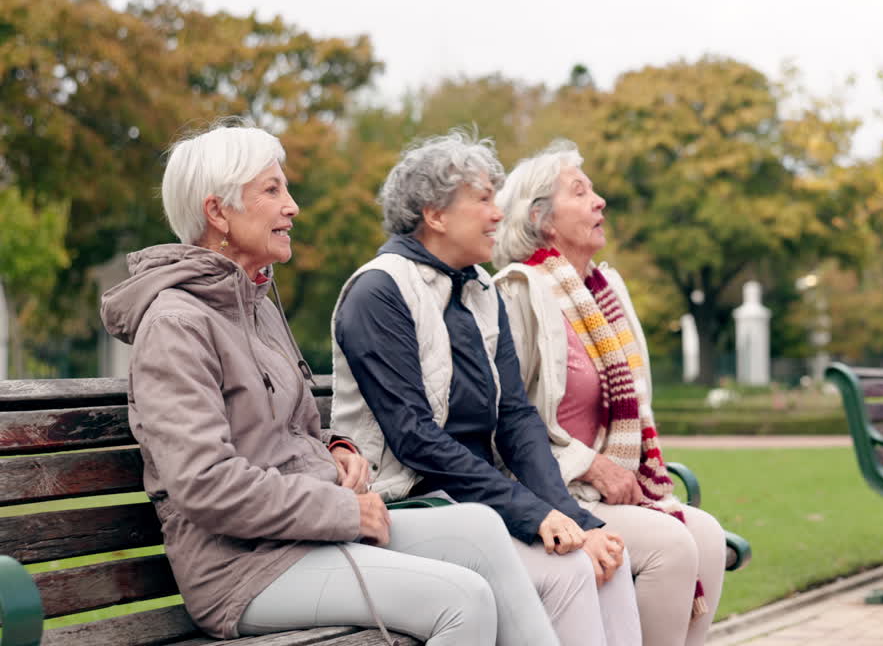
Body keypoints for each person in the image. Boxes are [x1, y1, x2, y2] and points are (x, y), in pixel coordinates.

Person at [101, 122, 559, 645]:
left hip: (303, 537)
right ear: (217, 212)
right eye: (272, 190)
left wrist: (335, 452)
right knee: (462, 600)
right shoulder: (176, 325)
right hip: (243, 571)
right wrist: (343, 510)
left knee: (480, 528)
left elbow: (282, 434)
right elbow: (206, 484)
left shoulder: (256, 306)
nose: (292, 206)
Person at [330, 129, 642, 646]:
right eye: (482, 199)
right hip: (408, 505)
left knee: (606, 552)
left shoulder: (477, 290)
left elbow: (517, 419)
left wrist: (572, 516)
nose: (498, 213)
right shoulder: (379, 292)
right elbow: (414, 439)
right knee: (567, 572)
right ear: (435, 214)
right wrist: (532, 513)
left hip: (477, 501)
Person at [492, 140, 727, 646]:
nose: (599, 201)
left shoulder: (606, 293)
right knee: (672, 545)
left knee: (706, 533)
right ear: (543, 219)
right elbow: (508, 422)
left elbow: (637, 409)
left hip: (612, 491)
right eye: (581, 192)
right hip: (553, 494)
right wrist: (589, 465)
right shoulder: (517, 293)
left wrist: (620, 472)